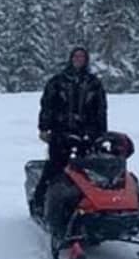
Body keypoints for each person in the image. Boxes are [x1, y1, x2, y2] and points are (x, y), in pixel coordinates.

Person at [32, 46, 107, 216]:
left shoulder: (94, 83)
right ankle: (39, 200)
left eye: (82, 57)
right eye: (76, 56)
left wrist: (101, 133)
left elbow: (101, 109)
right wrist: (44, 128)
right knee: (55, 167)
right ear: (71, 59)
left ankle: (87, 204)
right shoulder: (58, 81)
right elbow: (47, 106)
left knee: (88, 171)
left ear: (86, 60)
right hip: (61, 132)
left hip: (87, 133)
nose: (78, 59)